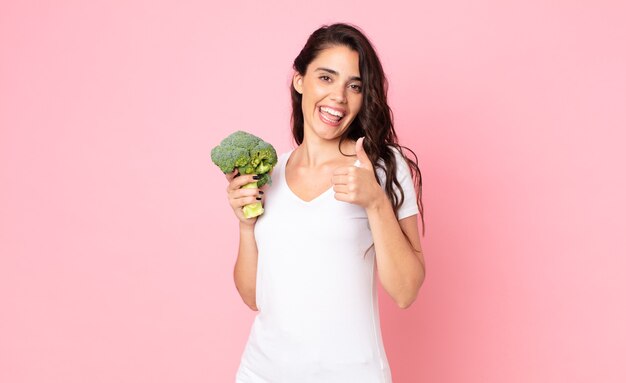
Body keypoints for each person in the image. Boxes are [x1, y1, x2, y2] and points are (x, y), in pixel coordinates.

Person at [225, 22, 425, 383]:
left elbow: (406, 291)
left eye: (354, 86)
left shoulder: (381, 167)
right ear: (300, 80)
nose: (339, 97)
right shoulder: (268, 173)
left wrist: (376, 203)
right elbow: (254, 297)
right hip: (262, 373)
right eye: (326, 78)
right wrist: (245, 224)